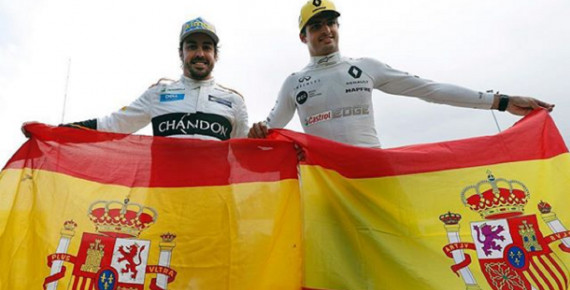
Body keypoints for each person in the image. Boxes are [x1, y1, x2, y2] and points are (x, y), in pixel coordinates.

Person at [248, 0, 554, 147]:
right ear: (304, 37)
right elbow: (268, 131)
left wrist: (501, 101)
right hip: (324, 182)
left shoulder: (366, 67)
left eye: (331, 23)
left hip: (374, 174)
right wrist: (256, 133)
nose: (325, 30)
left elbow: (430, 89)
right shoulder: (294, 82)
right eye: (316, 26)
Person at [28, 17, 248, 141]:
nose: (200, 53)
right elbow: (112, 125)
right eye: (192, 47)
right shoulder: (158, 94)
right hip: (164, 200)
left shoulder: (234, 101)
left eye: (206, 47)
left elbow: (245, 153)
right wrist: (53, 132)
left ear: (215, 54)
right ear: (181, 53)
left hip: (214, 201)